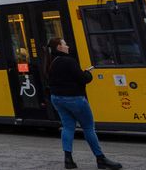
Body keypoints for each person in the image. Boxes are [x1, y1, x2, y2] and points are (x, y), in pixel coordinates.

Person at [45, 37, 121, 169]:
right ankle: (100, 159)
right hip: (74, 99)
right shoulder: (69, 61)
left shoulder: (51, 62)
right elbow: (82, 79)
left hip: (57, 99)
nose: (67, 46)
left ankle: (68, 159)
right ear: (59, 47)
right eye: (64, 44)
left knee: (68, 127)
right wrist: (88, 73)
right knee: (88, 128)